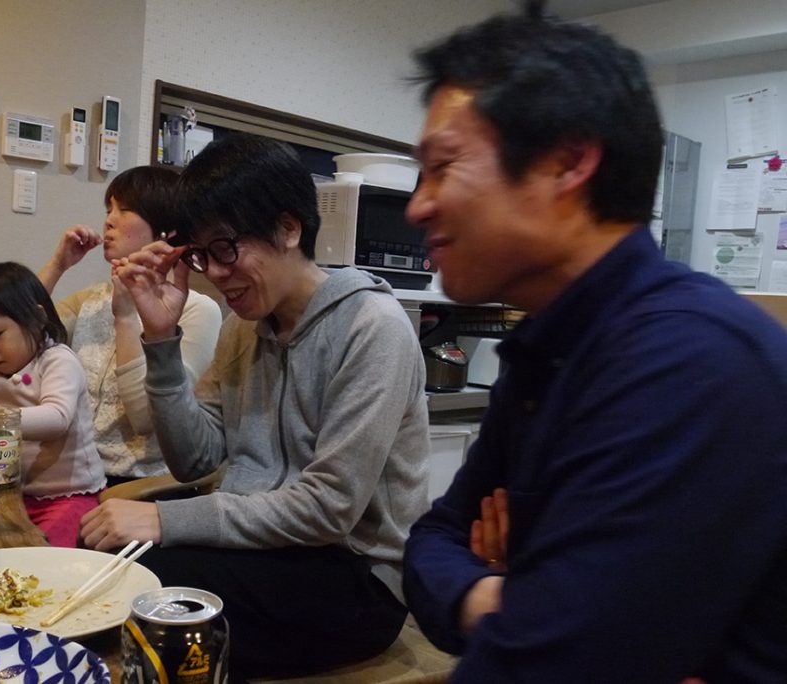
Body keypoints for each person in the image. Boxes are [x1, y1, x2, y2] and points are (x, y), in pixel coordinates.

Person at [401, 4, 787, 683]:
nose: (418, 205)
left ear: (567, 162)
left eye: (444, 166)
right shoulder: (549, 345)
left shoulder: (689, 361)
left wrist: (531, 608)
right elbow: (434, 538)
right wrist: (498, 601)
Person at [79, 133, 430, 680]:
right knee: (106, 565)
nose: (217, 274)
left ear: (288, 229)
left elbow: (329, 508)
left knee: (145, 592)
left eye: (226, 248)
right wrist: (161, 339)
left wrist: (165, 519)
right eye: (201, 255)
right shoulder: (242, 330)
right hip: (267, 549)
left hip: (356, 577)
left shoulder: (372, 327)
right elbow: (195, 461)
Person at [38, 166, 221, 484]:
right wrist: (58, 265)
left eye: (123, 210)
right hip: (73, 476)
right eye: (108, 210)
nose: (109, 220)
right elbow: (17, 334)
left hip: (141, 484)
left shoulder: (197, 311)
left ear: (166, 232)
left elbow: (145, 419)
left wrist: (125, 317)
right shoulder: (91, 300)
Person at [0, 261, 105, 547]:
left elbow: (56, 418)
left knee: (48, 557)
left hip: (70, 494)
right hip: (12, 497)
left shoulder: (56, 360)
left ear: (36, 319)